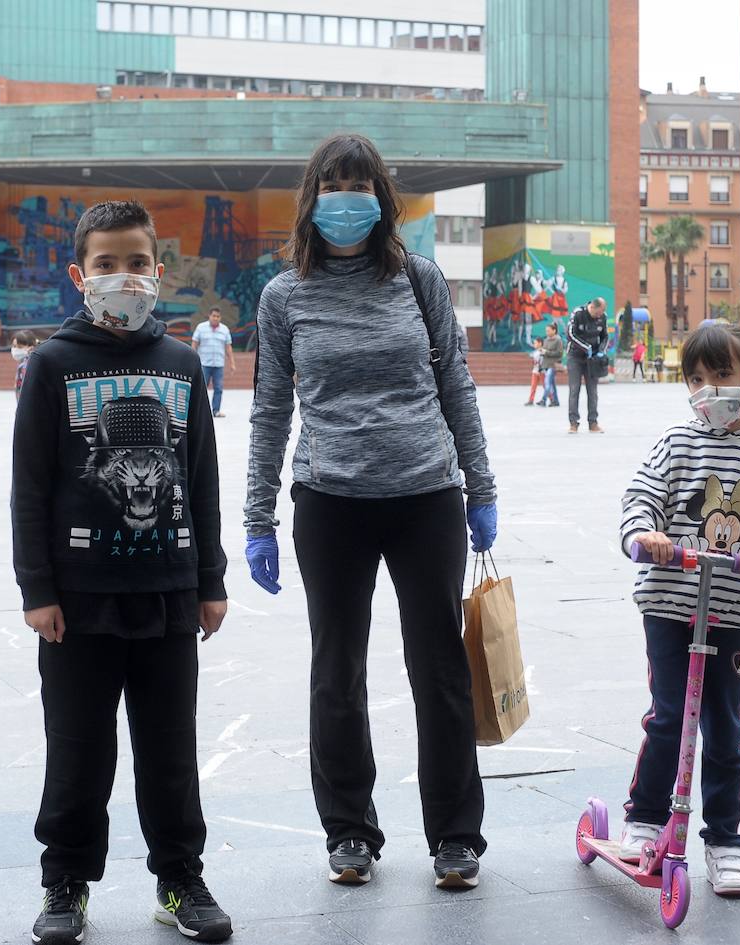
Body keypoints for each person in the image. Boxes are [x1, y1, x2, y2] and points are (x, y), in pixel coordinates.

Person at [244, 133, 497, 891]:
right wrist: (257, 518)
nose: (346, 198)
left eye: (359, 184)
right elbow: (268, 412)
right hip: (331, 504)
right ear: (312, 199)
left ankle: (455, 834)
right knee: (337, 671)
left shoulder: (419, 280)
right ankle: (349, 829)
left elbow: (457, 384)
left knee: (440, 667)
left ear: (382, 198)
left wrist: (479, 488)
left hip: (426, 498)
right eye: (333, 184)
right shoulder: (283, 295)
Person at [11, 199, 233, 945]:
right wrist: (37, 587)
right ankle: (64, 881)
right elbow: (30, 484)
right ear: (81, 274)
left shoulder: (179, 363)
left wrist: (212, 577)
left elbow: (201, 476)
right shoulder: (51, 363)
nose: (123, 276)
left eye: (136, 262)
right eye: (107, 264)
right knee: (77, 747)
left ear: (158, 271)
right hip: (78, 600)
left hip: (168, 593)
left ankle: (180, 876)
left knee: (170, 747)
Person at [619, 323, 740, 899]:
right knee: (669, 716)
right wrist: (645, 534)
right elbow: (641, 497)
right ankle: (645, 819)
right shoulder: (678, 441)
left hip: (734, 609)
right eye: (696, 380)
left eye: (721, 376)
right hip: (670, 603)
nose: (709, 390)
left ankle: (725, 840)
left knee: (726, 728)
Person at [567, 297, 609, 433]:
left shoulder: (603, 317)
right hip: (575, 356)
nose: (600, 316)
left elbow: (605, 337)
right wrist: (586, 348)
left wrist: (601, 351)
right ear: (593, 307)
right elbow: (570, 334)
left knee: (593, 391)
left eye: (602, 313)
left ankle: (593, 423)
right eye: (599, 312)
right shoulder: (578, 314)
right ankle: (573, 423)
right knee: (574, 390)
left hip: (592, 359)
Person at [191, 306, 235, 418]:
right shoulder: (201, 328)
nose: (215, 318)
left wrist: (232, 363)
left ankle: (216, 410)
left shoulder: (224, 329)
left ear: (220, 317)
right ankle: (199, 412)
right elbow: (194, 344)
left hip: (218, 365)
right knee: (201, 388)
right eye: (213, 316)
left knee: (218, 388)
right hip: (204, 364)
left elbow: (228, 347)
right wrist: (192, 359)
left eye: (218, 316)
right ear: (209, 316)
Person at [11, 329, 40, 402]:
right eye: (14, 346)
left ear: (31, 347)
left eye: (19, 347)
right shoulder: (23, 363)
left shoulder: (28, 364)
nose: (15, 349)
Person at [538, 322, 563, 406]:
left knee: (547, 383)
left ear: (554, 330)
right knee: (552, 384)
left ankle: (543, 399)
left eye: (548, 331)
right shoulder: (546, 340)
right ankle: (555, 401)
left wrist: (547, 352)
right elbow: (545, 351)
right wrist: (542, 351)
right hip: (546, 365)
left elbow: (559, 353)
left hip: (553, 365)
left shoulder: (558, 340)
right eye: (546, 331)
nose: (547, 332)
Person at [525, 336, 547, 406]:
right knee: (533, 386)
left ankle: (552, 398)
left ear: (540, 343)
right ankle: (531, 400)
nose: (534, 345)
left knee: (545, 386)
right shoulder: (535, 352)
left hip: (542, 372)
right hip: (535, 371)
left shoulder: (543, 351)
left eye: (535, 343)